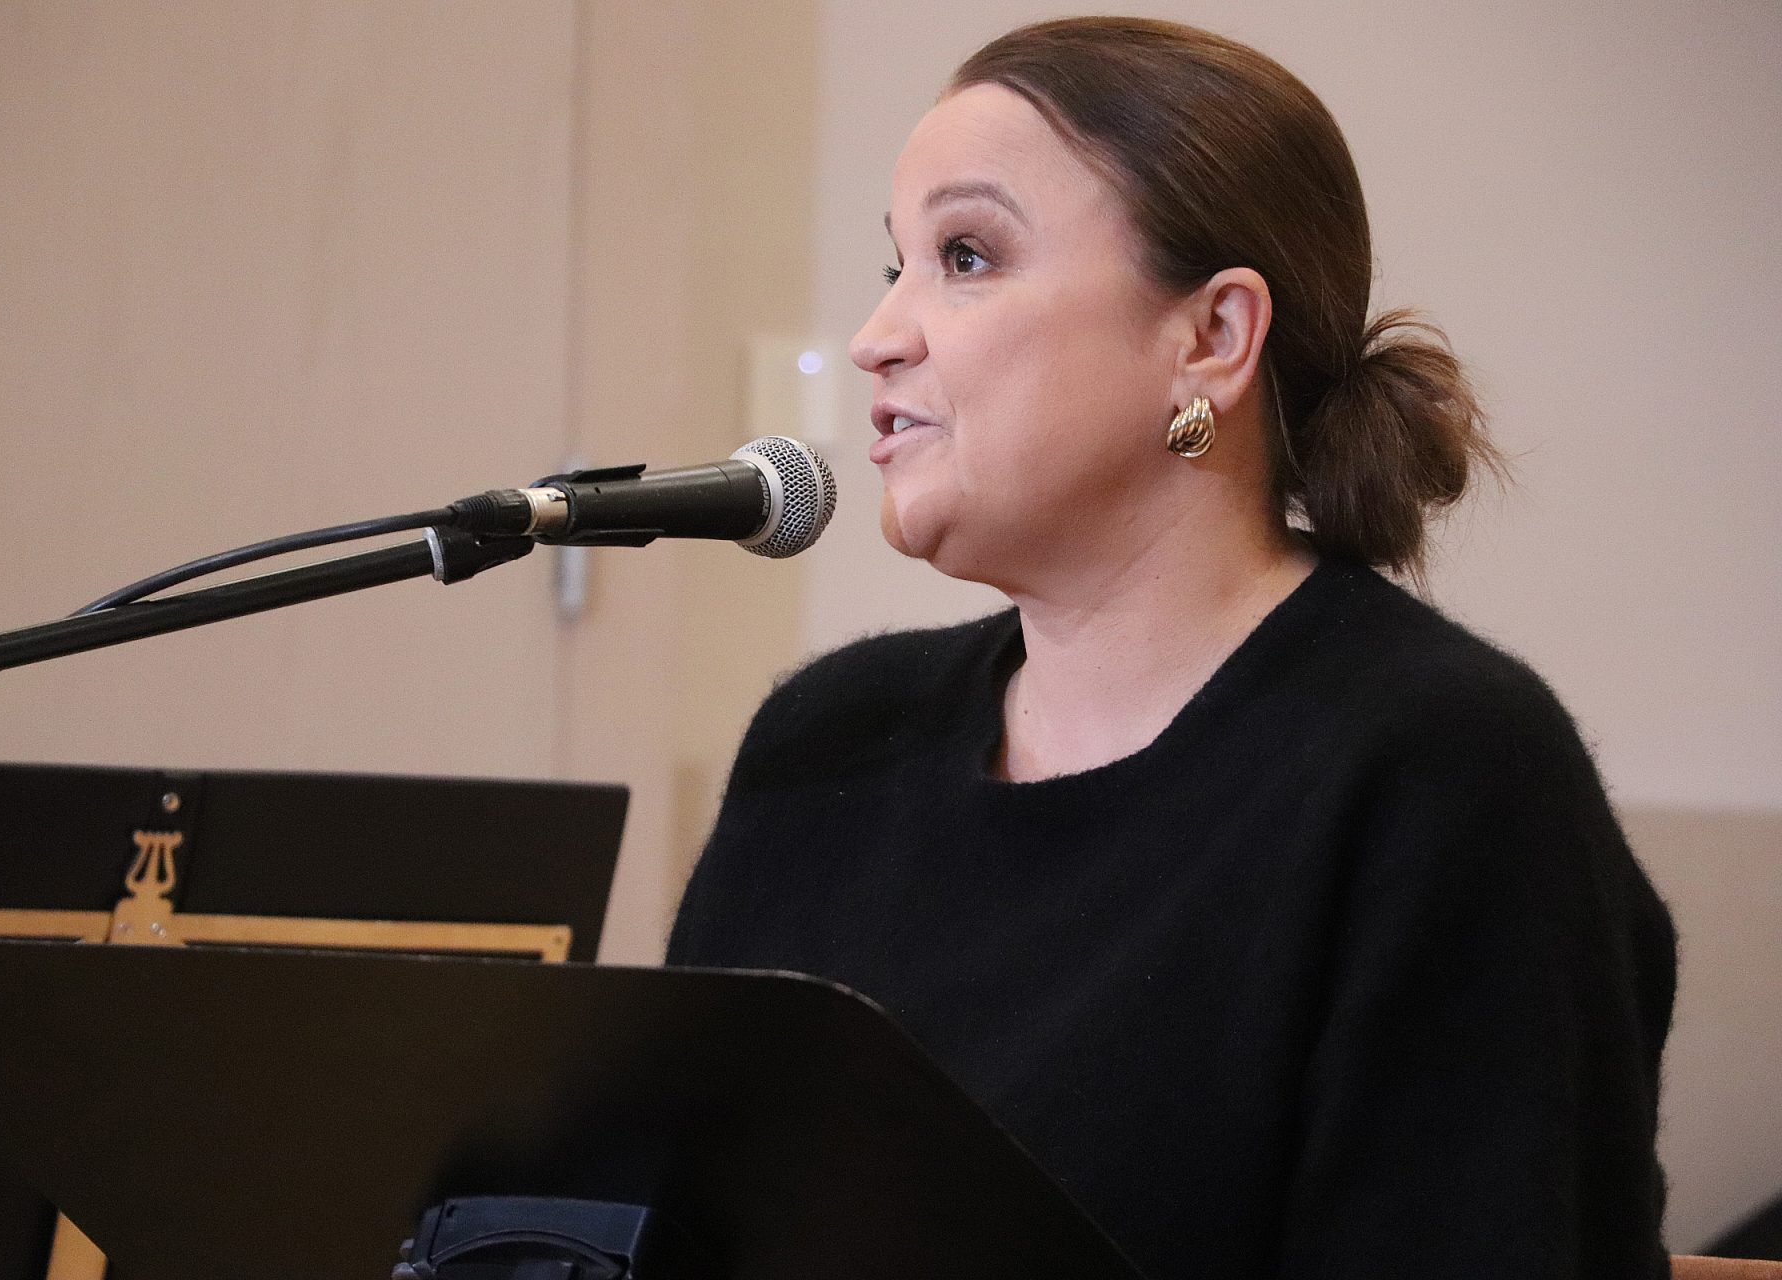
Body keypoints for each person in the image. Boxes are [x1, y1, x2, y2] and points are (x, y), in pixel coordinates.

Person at [667, 16, 1676, 1279]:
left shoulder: (1439, 770)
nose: (880, 333)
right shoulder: (826, 740)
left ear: (1211, 338)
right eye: (895, 264)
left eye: (966, 256)